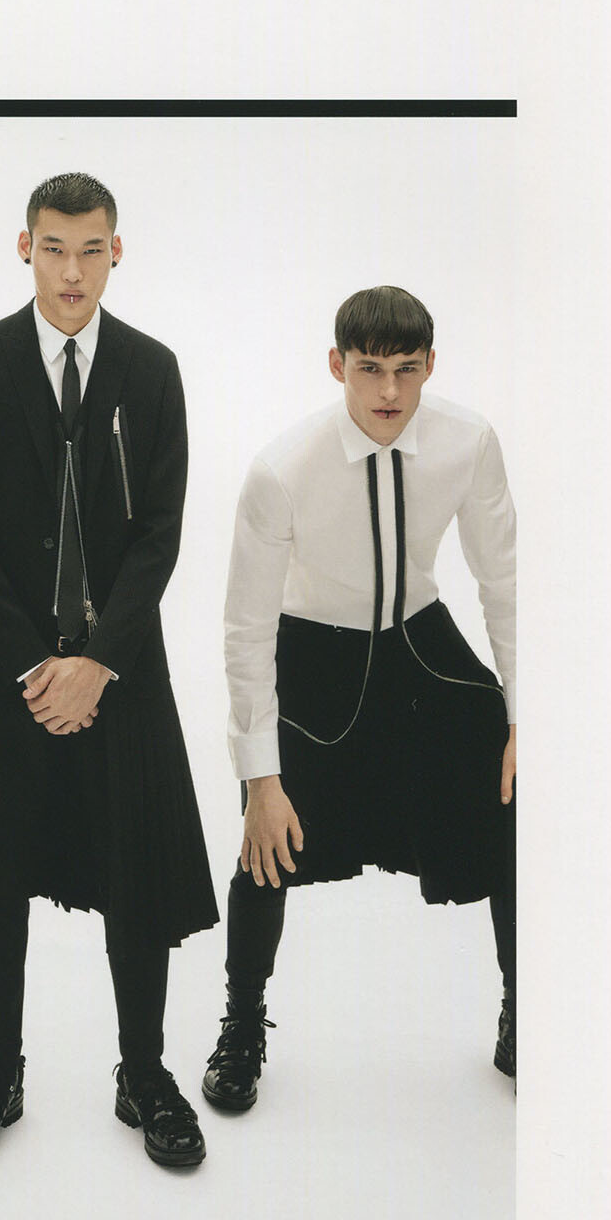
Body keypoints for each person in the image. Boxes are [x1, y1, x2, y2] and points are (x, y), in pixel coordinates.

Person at [0, 172, 218, 1170]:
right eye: (53, 248)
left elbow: (161, 533)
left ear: (116, 253)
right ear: (25, 248)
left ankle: (144, 1073)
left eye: (91, 249)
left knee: (136, 879)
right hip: (2, 671)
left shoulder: (152, 369)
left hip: (121, 671)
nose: (72, 271)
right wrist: (32, 664)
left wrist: (97, 662)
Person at [207, 285, 516, 1112]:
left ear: (430, 366)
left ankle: (524, 1011)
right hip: (316, 653)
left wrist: (524, 717)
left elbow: (505, 584)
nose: (388, 391)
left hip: (420, 643)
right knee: (266, 842)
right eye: (370, 369)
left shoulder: (469, 441)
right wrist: (260, 777)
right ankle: (242, 1023)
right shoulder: (281, 469)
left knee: (512, 784)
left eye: (406, 370)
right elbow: (245, 630)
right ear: (336, 365)